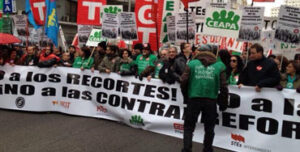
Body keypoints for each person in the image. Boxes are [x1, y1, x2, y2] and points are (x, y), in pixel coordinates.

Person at [180, 46, 228, 152]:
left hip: (194, 99)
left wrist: (186, 96)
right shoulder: (220, 65)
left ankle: (186, 149)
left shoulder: (192, 64)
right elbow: (224, 86)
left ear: (199, 52)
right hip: (210, 101)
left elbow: (183, 81)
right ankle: (207, 149)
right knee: (209, 128)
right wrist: (223, 102)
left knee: (189, 127)